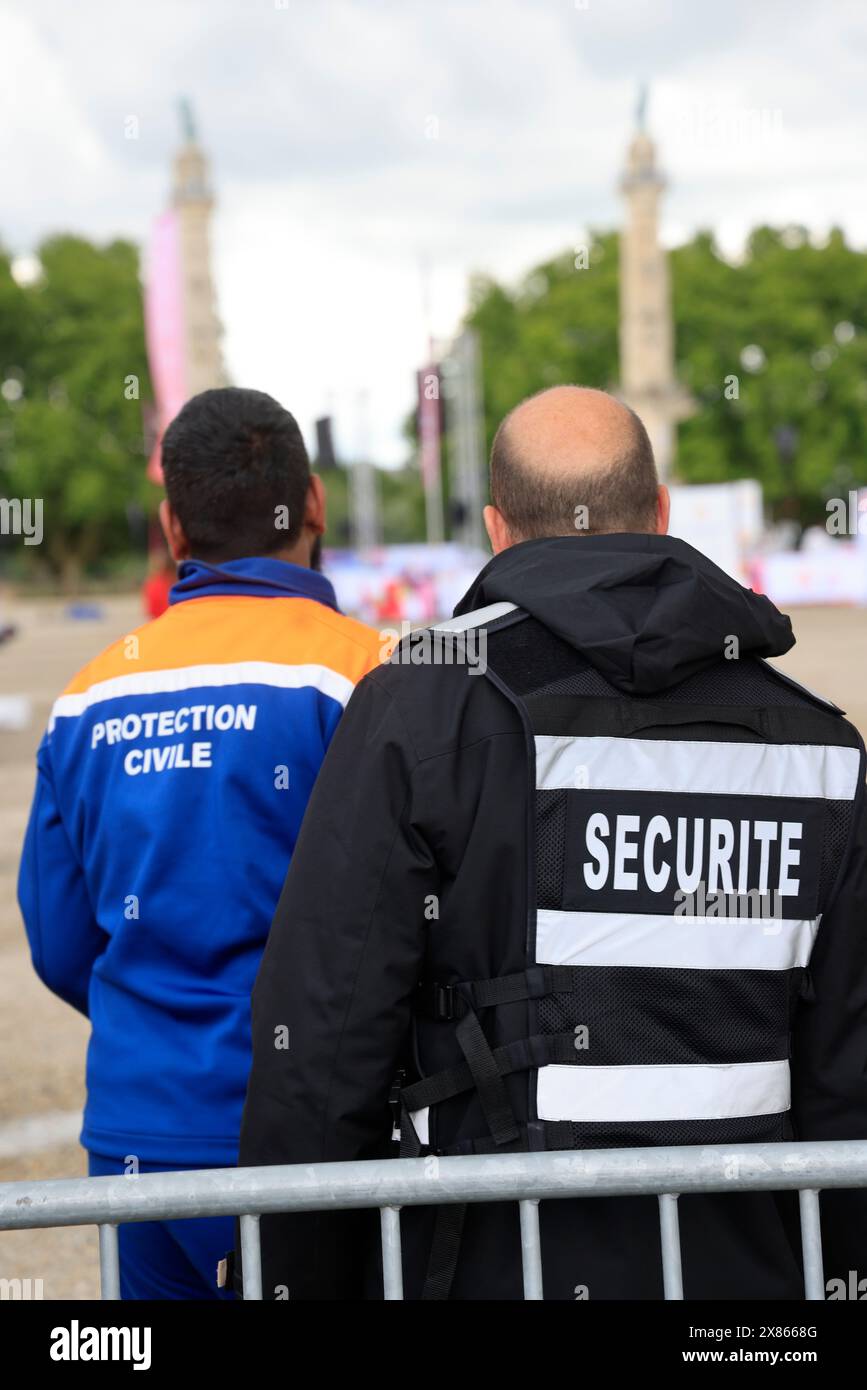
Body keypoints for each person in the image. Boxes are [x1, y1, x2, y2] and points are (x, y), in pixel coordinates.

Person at [239, 385, 867, 1301]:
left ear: (496, 529)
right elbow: (846, 1080)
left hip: (492, 1267)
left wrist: (291, 1282)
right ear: (657, 513)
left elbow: (323, 1044)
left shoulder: (417, 705)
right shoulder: (820, 749)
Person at [18, 386, 384, 1300]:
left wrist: (159, 1029)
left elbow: (62, 945)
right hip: (317, 1139)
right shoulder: (371, 674)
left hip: (139, 1140)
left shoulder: (88, 698)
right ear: (314, 507)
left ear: (172, 528)